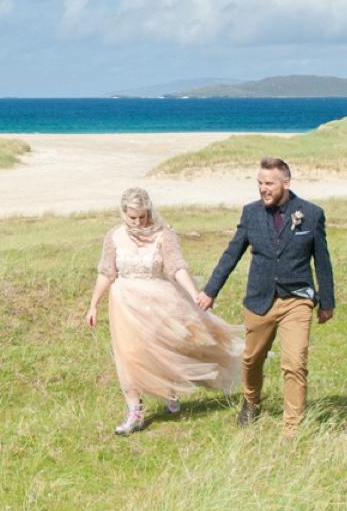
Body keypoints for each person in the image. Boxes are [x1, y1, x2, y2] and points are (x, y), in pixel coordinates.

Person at [86, 186, 244, 435]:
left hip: (160, 300)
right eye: (132, 217)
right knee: (129, 355)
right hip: (125, 304)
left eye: (142, 216)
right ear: (123, 213)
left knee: (166, 348)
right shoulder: (113, 237)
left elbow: (175, 267)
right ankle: (134, 412)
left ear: (149, 212)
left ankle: (170, 388)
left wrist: (194, 294)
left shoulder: (164, 234)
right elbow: (106, 272)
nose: (138, 222)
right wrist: (93, 305)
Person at [195, 157, 336, 437]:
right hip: (259, 299)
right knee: (252, 359)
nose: (263, 189)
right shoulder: (250, 214)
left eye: (268, 183)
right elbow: (231, 254)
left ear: (286, 183)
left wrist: (327, 301)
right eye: (259, 183)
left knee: (295, 362)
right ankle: (251, 401)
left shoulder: (311, 213)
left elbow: (322, 260)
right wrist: (210, 291)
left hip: (297, 299)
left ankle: (291, 428)